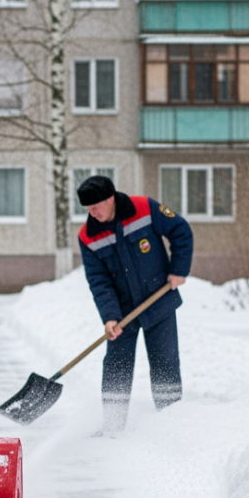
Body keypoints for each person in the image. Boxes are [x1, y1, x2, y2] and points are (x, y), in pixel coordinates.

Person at [76, 175, 193, 434]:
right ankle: (113, 425)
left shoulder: (145, 208)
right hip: (121, 312)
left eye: (96, 207)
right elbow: (99, 281)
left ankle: (171, 423)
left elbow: (181, 231)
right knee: (116, 367)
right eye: (88, 210)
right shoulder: (88, 236)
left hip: (158, 300)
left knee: (165, 364)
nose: (93, 214)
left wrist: (179, 269)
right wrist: (109, 317)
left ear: (110, 199)